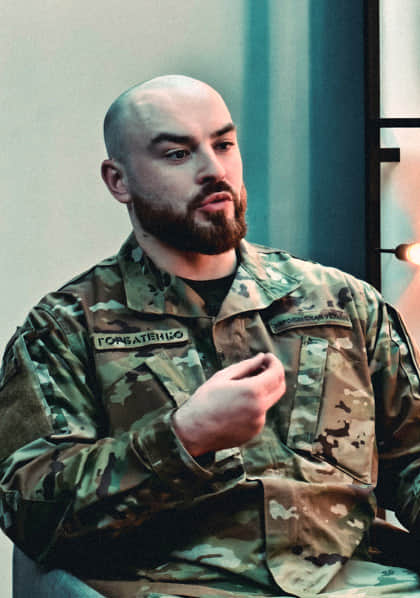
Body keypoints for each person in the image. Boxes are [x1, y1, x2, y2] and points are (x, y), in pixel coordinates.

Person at [1, 75, 420, 598]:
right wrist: (185, 437)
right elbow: (33, 514)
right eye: (178, 154)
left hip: (358, 584)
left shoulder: (344, 303)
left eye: (223, 144)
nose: (214, 170)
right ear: (118, 181)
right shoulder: (65, 329)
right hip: (183, 587)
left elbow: (413, 459)